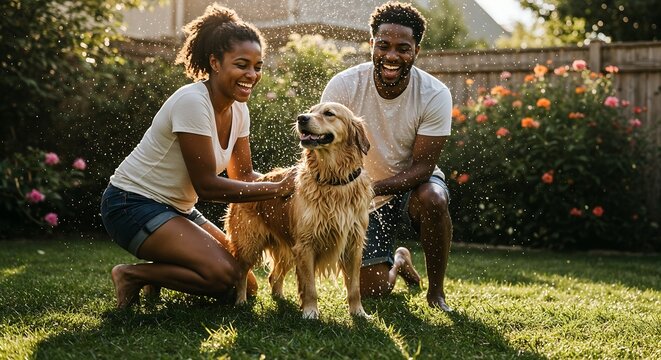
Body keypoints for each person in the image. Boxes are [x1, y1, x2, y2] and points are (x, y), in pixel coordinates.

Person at [100, 3, 294, 309]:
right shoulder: (192, 102)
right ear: (215, 62)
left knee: (244, 281)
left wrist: (292, 181)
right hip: (131, 204)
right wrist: (277, 189)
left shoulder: (238, 109)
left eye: (258, 66)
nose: (252, 75)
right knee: (223, 275)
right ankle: (132, 276)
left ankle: (156, 277)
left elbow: (243, 176)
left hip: (178, 210)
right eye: (242, 64)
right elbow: (208, 186)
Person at [321, 1, 453, 311]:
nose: (391, 55)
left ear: (416, 51)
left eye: (402, 48)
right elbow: (324, 152)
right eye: (383, 45)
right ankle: (399, 260)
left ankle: (436, 292)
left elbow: (422, 167)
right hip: (359, 191)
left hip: (409, 181)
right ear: (371, 45)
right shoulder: (344, 85)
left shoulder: (434, 94)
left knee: (434, 198)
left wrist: (372, 188)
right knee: (372, 291)